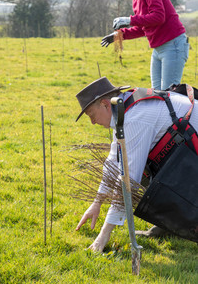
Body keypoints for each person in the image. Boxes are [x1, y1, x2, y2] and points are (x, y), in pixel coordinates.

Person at [75, 77, 198, 252]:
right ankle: (169, 226)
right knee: (148, 171)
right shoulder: (125, 109)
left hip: (192, 152)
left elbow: (128, 179)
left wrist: (103, 235)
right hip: (187, 148)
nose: (93, 122)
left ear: (104, 104)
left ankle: (178, 222)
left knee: (144, 173)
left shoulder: (135, 119)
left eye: (91, 115)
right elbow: (114, 161)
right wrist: (97, 202)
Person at [101, 0, 189, 91]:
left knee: (168, 97)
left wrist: (129, 20)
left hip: (173, 45)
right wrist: (119, 35)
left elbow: (159, 17)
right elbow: (143, 27)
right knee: (156, 95)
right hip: (158, 49)